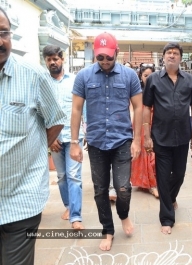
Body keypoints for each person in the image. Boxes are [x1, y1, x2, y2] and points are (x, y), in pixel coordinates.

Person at [0, 8, 66, 264]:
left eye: (4, 32)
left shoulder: (33, 75)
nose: (0, 40)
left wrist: (36, 151)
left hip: (21, 198)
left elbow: (56, 120)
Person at [70, 32, 143, 251]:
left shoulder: (129, 75)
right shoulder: (83, 76)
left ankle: (123, 215)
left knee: (123, 188)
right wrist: (74, 141)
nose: (104, 62)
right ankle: (108, 230)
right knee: (100, 189)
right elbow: (76, 108)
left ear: (117, 53)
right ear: (95, 54)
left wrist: (137, 139)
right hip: (96, 142)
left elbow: (139, 107)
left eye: (108, 58)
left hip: (122, 141)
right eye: (100, 57)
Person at [143, 42, 192, 235]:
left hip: (182, 136)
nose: (172, 56)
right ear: (163, 57)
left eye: (175, 53)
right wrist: (147, 135)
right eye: (169, 53)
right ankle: (166, 218)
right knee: (164, 178)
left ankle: (171, 197)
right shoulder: (154, 80)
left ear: (180, 58)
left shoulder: (189, 80)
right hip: (161, 137)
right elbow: (146, 107)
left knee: (180, 174)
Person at [43, 45, 85, 230]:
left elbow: (84, 108)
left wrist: (88, 133)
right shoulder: (42, 82)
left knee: (74, 175)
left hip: (74, 136)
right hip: (54, 139)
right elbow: (39, 113)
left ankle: (76, 216)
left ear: (62, 59)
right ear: (45, 61)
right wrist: (50, 138)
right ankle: (69, 206)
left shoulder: (74, 81)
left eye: (55, 59)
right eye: (49, 59)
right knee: (61, 176)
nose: (53, 62)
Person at [131, 63, 158, 198]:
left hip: (156, 124)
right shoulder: (137, 92)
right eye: (145, 75)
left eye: (151, 75)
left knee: (155, 153)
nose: (148, 78)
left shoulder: (158, 89)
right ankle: (150, 184)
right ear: (141, 77)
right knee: (145, 153)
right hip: (141, 125)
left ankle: (154, 181)